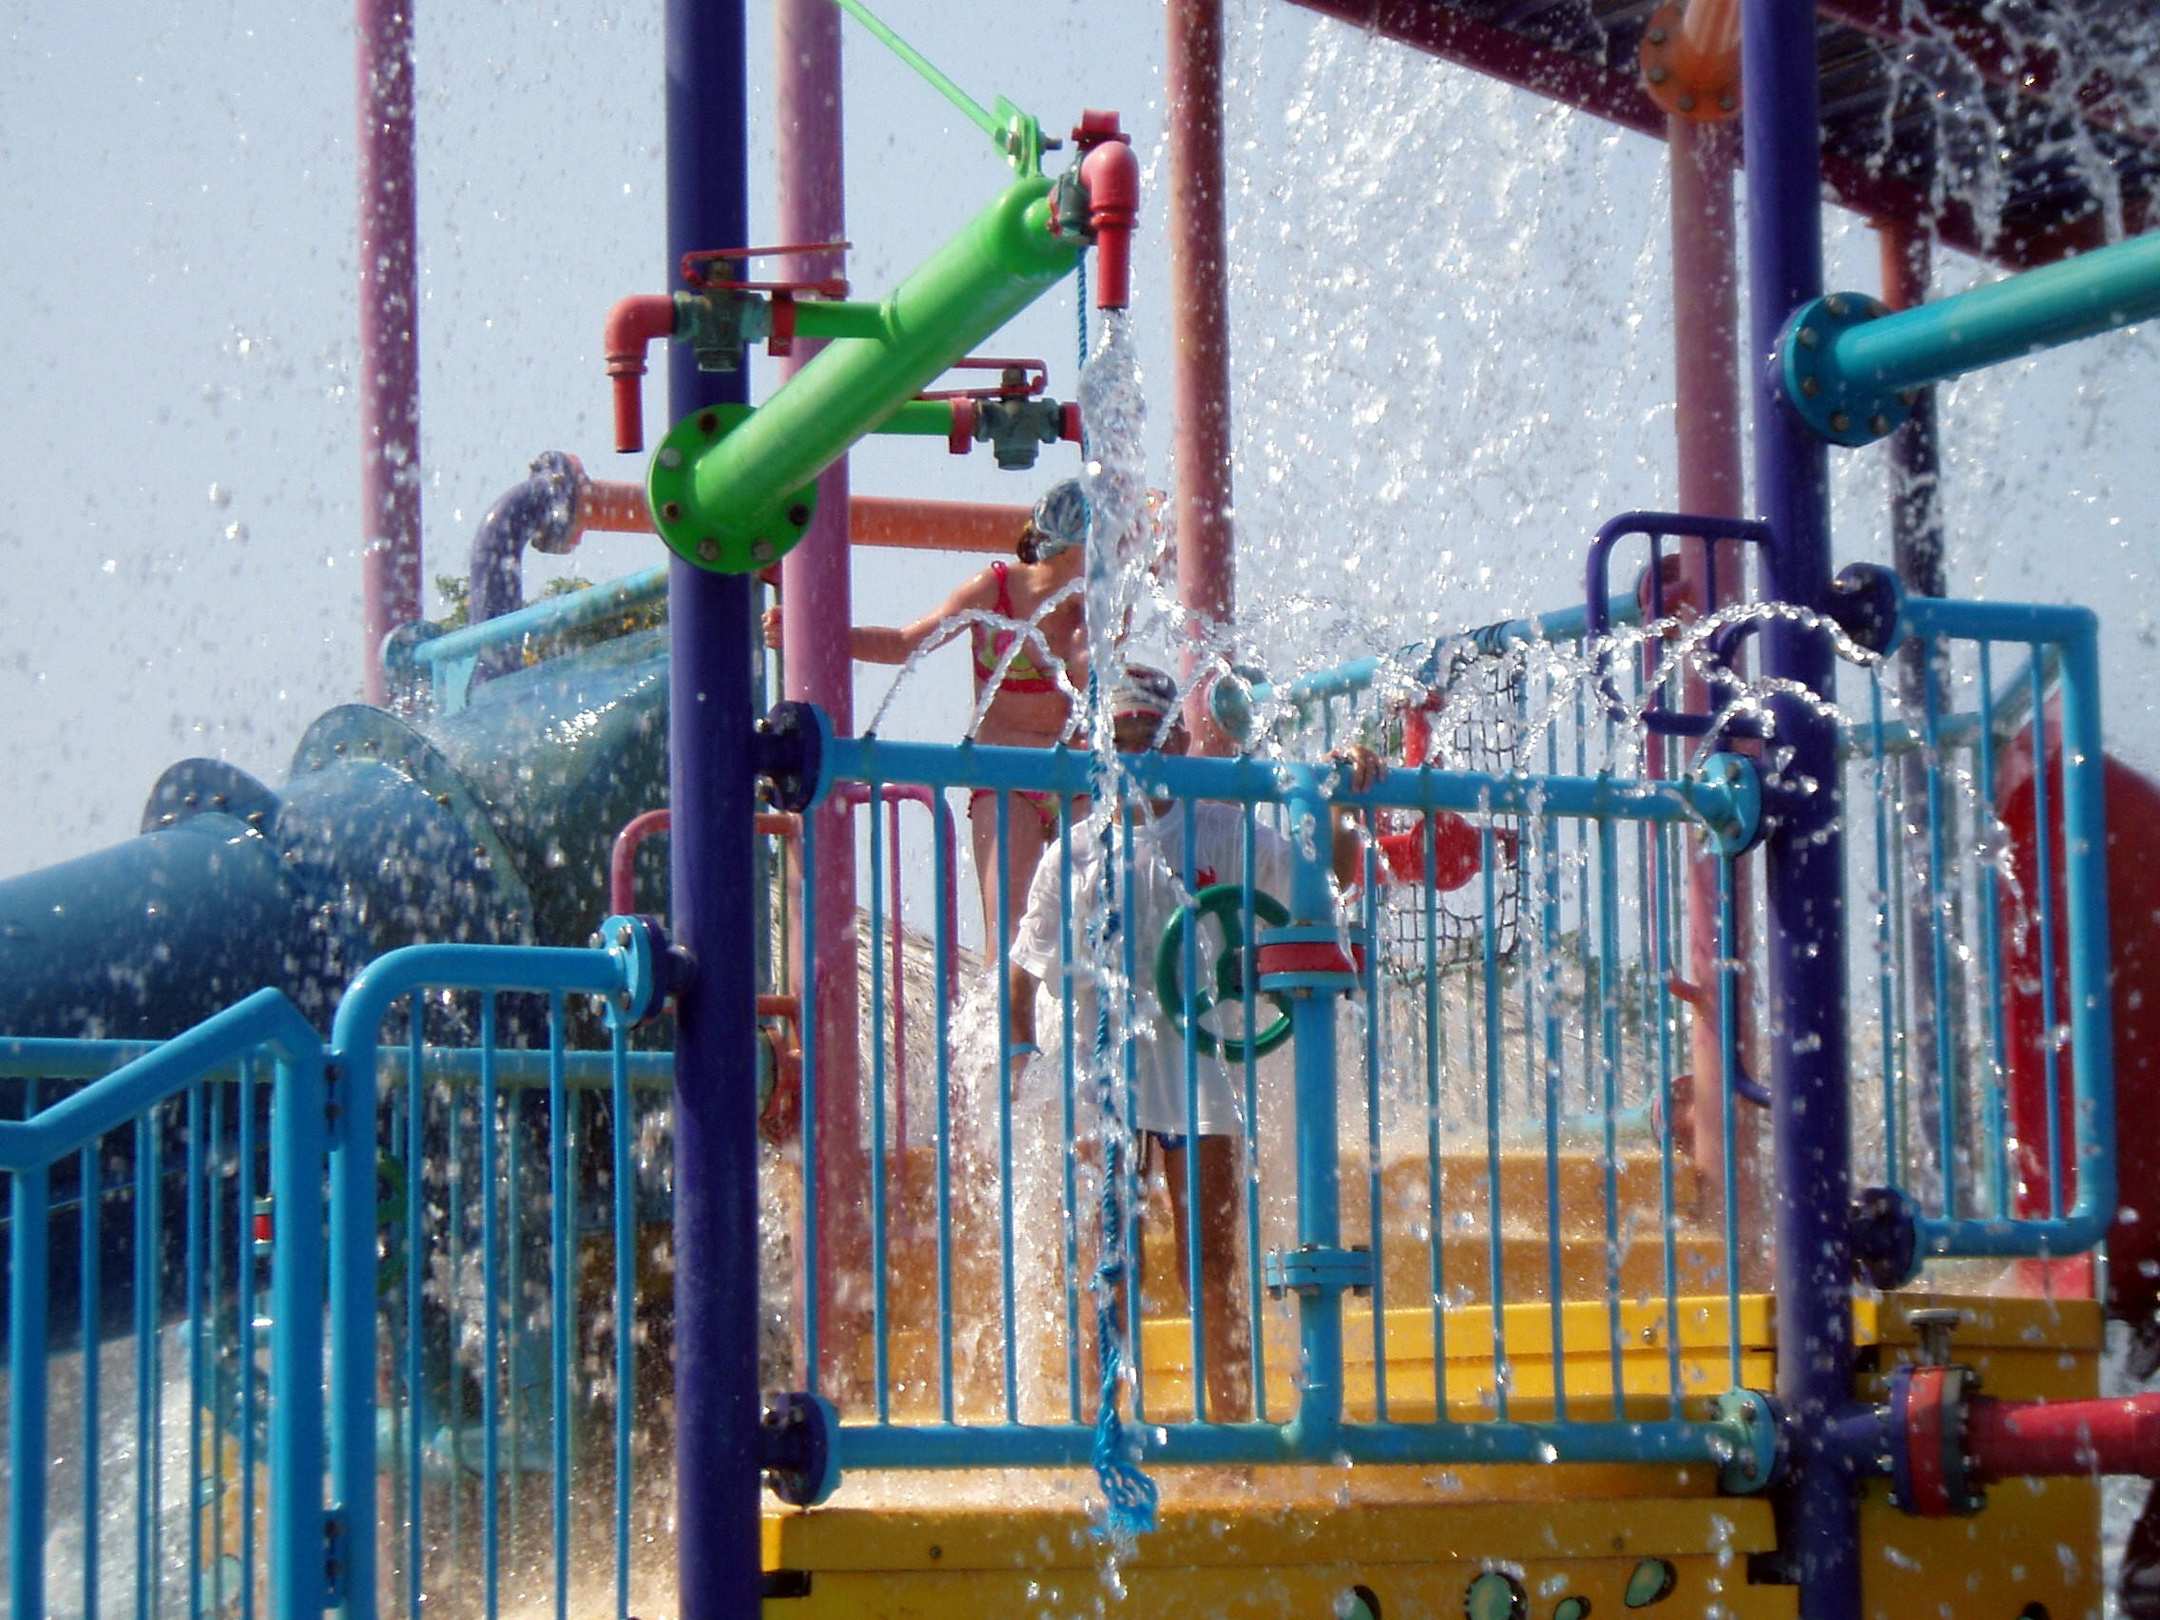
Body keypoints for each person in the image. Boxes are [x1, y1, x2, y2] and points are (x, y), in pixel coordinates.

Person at [1002, 662, 1382, 1421]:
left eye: (1151, 734)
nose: (1138, 752)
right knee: (1107, 1265)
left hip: (1202, 1070)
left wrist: (1340, 804)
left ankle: (1230, 1430)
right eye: (1122, 736)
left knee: (1210, 1262)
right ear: (1098, 745)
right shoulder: (1074, 853)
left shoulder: (1219, 827)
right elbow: (1021, 979)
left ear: (1180, 739)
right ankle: (1102, 1424)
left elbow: (1328, 877)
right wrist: (1021, 1063)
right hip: (1103, 1074)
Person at [764, 479, 1089, 953]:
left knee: (1087, 934)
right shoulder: (995, 589)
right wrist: (816, 634)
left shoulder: (1095, 610)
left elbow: (1098, 693)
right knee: (1009, 935)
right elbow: (904, 644)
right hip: (1007, 778)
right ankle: (1002, 1005)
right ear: (1072, 547)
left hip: (1074, 776)